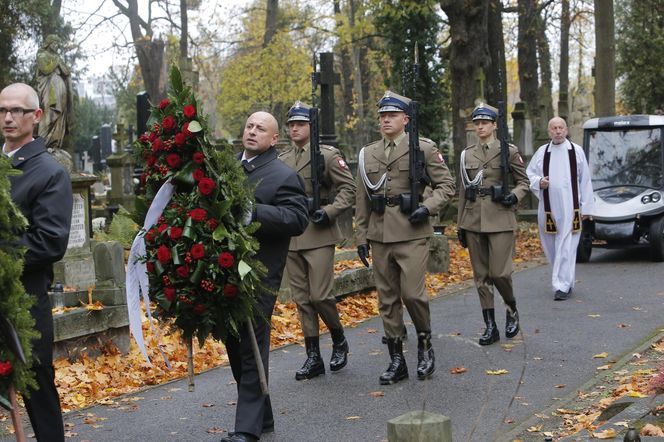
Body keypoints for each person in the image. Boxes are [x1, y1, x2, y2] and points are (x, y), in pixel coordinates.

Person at [355, 91, 455, 385]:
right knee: (387, 300)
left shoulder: (423, 149)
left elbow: (447, 186)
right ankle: (396, 359)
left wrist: (426, 208)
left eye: (392, 115)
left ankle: (425, 346)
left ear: (405, 119)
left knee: (412, 294)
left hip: (412, 232)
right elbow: (362, 199)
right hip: (379, 234)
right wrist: (361, 236)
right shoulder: (368, 153)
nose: (385, 120)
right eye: (382, 116)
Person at [221, 111, 309, 442]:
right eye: (249, 126)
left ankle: (247, 430)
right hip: (226, 272)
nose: (253, 132)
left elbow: (297, 217)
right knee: (233, 342)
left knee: (250, 345)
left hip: (260, 274)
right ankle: (264, 418)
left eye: (261, 129)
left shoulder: (282, 175)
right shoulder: (228, 170)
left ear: (274, 139)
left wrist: (255, 213)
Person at [1, 83, 72, 441]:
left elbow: (49, 242)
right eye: (2, 111)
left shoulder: (48, 172)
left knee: (38, 388)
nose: (8, 118)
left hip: (25, 302)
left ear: (37, 116)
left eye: (17, 111)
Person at [279, 101, 356, 380]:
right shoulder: (283, 159)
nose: (294, 128)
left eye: (299, 123)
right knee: (302, 299)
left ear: (311, 127)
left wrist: (331, 211)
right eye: (291, 124)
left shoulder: (327, 155)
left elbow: (349, 189)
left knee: (321, 295)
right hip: (292, 235)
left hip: (319, 232)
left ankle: (339, 340)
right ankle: (313, 356)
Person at [457, 103, 530, 346]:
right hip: (473, 219)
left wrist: (515, 196)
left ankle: (511, 311)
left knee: (500, 273)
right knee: (481, 277)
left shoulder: (508, 150)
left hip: (500, 217)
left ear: (494, 125)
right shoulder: (467, 154)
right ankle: (490, 325)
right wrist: (460, 225)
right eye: (477, 123)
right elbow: (463, 190)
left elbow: (523, 182)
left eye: (485, 122)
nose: (480, 126)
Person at [526, 117, 595, 300]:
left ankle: (561, 286)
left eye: (561, 127)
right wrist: (539, 182)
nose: (557, 131)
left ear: (566, 130)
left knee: (566, 246)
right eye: (554, 128)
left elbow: (585, 180)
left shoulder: (576, 151)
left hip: (571, 208)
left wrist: (587, 207)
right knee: (552, 248)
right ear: (549, 131)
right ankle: (566, 280)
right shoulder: (542, 152)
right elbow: (529, 174)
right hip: (548, 209)